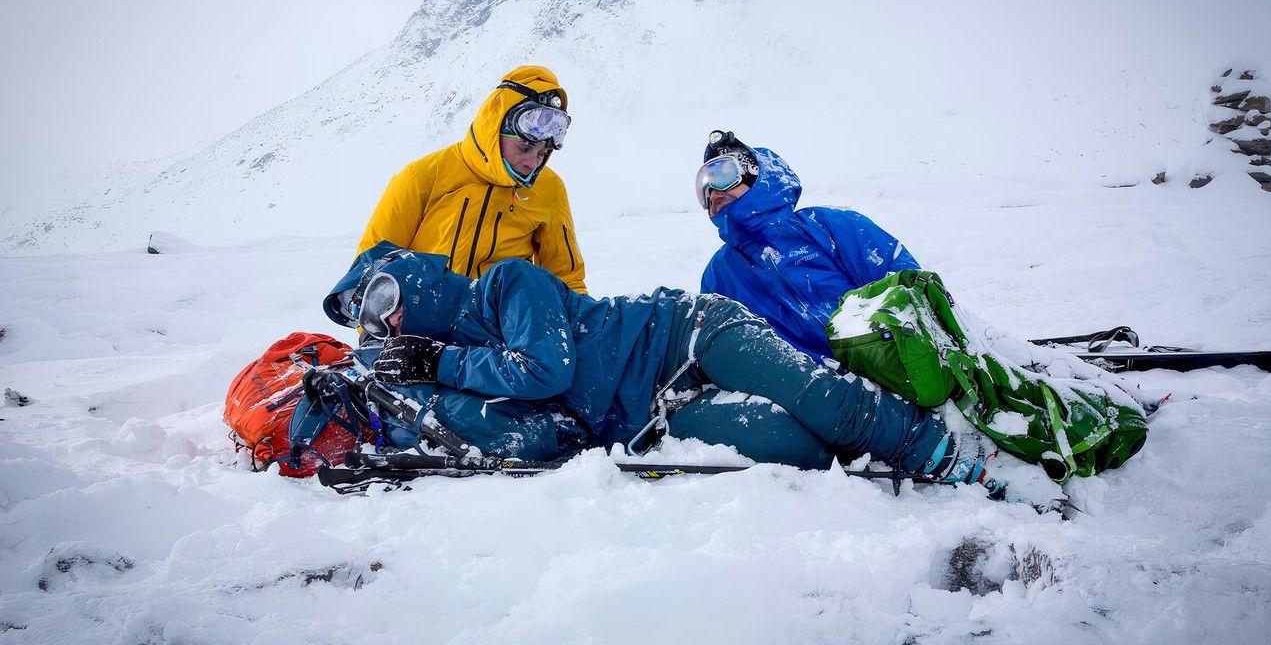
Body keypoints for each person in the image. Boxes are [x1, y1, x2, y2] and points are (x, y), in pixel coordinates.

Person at [322, 242, 1003, 494]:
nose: (391, 321)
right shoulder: (455, 367)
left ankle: (937, 449)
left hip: (689, 334)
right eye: (375, 320)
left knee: (819, 397)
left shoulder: (505, 285)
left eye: (387, 297)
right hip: (659, 412)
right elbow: (535, 426)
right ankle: (873, 453)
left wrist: (442, 360)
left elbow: (543, 371)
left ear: (416, 278)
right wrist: (413, 400)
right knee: (797, 448)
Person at [356, 65, 587, 293]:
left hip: (498, 326)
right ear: (495, 130)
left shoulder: (549, 189)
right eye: (523, 147)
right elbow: (370, 269)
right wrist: (381, 324)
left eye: (542, 153)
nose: (532, 163)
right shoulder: (423, 177)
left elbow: (566, 279)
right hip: (419, 320)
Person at [697, 130, 919, 361]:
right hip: (802, 388)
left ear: (756, 174)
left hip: (885, 363)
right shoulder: (720, 273)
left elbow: (908, 289)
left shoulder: (830, 226)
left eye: (722, 174)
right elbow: (717, 347)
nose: (712, 193)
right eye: (704, 188)